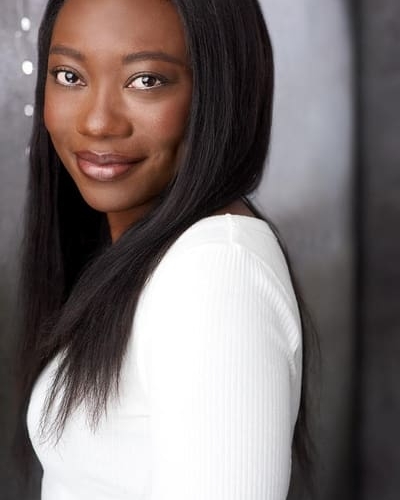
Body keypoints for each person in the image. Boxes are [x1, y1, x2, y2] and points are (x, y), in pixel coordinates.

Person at [16, 0, 319, 498]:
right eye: (70, 76)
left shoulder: (215, 270)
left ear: (219, 91)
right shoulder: (150, 261)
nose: (98, 122)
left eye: (146, 80)